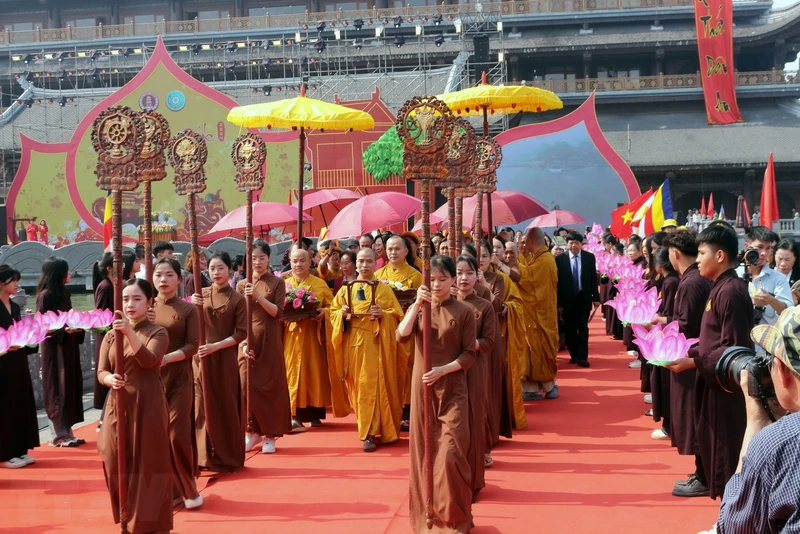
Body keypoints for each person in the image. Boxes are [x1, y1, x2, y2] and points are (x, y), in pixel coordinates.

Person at [666, 221, 754, 499]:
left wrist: (693, 362)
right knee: (711, 440)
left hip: (724, 385)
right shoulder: (718, 287)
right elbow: (710, 340)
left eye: (702, 253)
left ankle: (733, 514)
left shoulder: (731, 291)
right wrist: (689, 353)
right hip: (711, 377)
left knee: (725, 448)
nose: (698, 259)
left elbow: (734, 347)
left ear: (720, 255)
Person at [397, 255, 476, 533]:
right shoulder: (420, 308)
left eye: (443, 279)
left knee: (451, 455)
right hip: (424, 391)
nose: (437, 284)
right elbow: (401, 335)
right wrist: (418, 304)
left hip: (452, 389)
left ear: (453, 280)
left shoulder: (464, 311)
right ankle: (428, 515)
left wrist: (444, 370)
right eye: (432, 279)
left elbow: (469, 354)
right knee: (425, 454)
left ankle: (456, 518)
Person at [97, 279, 172, 533]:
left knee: (148, 462)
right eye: (126, 299)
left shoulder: (158, 332)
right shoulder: (111, 334)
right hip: (118, 405)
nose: (130, 304)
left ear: (150, 302)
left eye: (137, 299)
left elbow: (150, 361)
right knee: (112, 456)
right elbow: (101, 371)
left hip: (147, 403)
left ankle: (148, 523)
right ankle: (125, 513)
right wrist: (110, 379)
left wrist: (129, 331)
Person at [716, 307, 800, 533]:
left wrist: (756, 425)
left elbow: (736, 527)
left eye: (771, 360)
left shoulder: (778, 444)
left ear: (782, 371)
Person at [330, 248, 404, 452]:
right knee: (361, 387)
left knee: (375, 386)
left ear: (376, 263)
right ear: (356, 264)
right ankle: (367, 431)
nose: (364, 265)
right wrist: (341, 315)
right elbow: (333, 313)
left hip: (377, 344)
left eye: (368, 261)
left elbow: (397, 316)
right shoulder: (346, 289)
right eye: (361, 261)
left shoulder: (383, 289)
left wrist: (383, 315)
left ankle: (374, 432)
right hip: (354, 345)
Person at [663, 229, 713, 494]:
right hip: (694, 357)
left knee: (695, 418)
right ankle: (700, 471)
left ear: (675, 253)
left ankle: (704, 476)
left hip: (691, 358)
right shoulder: (694, 278)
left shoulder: (692, 282)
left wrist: (663, 338)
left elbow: (686, 326)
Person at [152, 258, 202, 510]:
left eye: (169, 274)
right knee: (155, 438)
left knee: (176, 434)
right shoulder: (145, 308)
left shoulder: (188, 309)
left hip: (180, 379)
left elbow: (194, 344)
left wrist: (167, 358)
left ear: (179, 279)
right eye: (158, 274)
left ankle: (187, 488)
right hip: (152, 382)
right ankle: (167, 492)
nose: (163, 280)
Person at [191, 252, 247, 471]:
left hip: (224, 358)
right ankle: (202, 455)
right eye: (212, 269)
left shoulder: (237, 299)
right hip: (201, 357)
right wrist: (191, 306)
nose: (216, 273)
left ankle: (227, 454)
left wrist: (216, 346)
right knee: (199, 406)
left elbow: (241, 333)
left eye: (221, 268)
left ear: (230, 270)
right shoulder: (200, 295)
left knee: (225, 404)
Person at [236, 241, 292, 453]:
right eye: (253, 258)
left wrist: (257, 296)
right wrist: (242, 342)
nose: (257, 262)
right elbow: (239, 318)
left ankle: (271, 434)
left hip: (269, 340)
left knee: (270, 386)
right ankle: (252, 431)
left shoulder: (276, 283)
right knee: (245, 385)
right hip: (248, 340)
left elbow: (277, 313)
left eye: (261, 257)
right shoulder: (241, 284)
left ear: (269, 259)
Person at [455, 253, 496, 489]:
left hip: (475, 369)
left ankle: (476, 472)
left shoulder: (485, 306)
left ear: (476, 276)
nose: (464, 278)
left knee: (475, 416)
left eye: (469, 273)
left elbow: (489, 343)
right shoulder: (444, 304)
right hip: (450, 371)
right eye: (459, 273)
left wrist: (464, 343)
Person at [283, 247, 334, 429]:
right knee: (293, 373)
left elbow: (333, 307)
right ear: (290, 263)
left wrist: (323, 313)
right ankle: (295, 413)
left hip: (313, 336)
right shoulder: (284, 285)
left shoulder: (319, 284)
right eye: (295, 261)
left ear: (310, 262)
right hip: (291, 337)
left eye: (302, 261)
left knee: (314, 373)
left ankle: (315, 413)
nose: (298, 264)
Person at [36, 257, 86, 447]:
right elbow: (42, 325)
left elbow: (69, 316)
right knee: (57, 386)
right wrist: (63, 331)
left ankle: (68, 431)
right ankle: (58, 435)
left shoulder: (64, 292)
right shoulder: (45, 296)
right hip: (54, 346)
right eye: (67, 271)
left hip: (68, 344)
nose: (70, 274)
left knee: (70, 385)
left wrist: (77, 326)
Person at [375, 236, 423, 431]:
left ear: (406, 251)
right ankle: (389, 411)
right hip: (385, 330)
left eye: (397, 249)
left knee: (408, 368)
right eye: (390, 249)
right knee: (388, 367)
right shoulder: (378, 275)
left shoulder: (416, 275)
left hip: (408, 330)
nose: (393, 252)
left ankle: (408, 412)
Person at [480, 239, 528, 431]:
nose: (480, 260)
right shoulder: (461, 279)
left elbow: (516, 304)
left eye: (484, 255)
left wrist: (508, 308)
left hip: (497, 334)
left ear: (491, 257)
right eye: (476, 255)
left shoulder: (500, 278)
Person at [0, 265, 39, 468]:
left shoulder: (15, 307)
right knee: (4, 407)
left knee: (18, 404)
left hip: (17, 360)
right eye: (13, 280)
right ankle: (4, 454)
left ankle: (18, 450)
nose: (17, 284)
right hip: (2, 363)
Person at [518, 227, 560, 394]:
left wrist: (503, 265)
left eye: (523, 242)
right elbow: (529, 269)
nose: (521, 245)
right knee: (532, 349)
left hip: (540, 317)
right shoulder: (541, 257)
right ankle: (537, 387)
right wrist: (522, 255)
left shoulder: (545, 260)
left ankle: (548, 386)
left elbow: (526, 278)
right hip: (539, 315)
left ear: (530, 241)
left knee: (539, 349)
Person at [555, 232, 600, 367]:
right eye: (571, 242)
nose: (574, 245)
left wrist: (596, 297)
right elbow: (557, 283)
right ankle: (574, 354)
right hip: (567, 299)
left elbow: (593, 278)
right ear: (567, 244)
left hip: (583, 297)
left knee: (582, 328)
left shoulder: (589, 257)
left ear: (581, 244)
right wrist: (558, 302)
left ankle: (582, 357)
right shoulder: (560, 259)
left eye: (576, 243)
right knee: (569, 328)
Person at [649, 247, 680, 440]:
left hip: (669, 335)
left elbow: (670, 313)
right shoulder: (670, 280)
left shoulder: (671, 282)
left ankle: (669, 425)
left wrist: (658, 319)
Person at [744, 226, 792, 327]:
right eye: (760, 247)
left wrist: (770, 300)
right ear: (747, 246)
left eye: (768, 248)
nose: (764, 253)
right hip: (737, 339)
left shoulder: (779, 278)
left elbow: (787, 312)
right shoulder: (736, 274)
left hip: (767, 340)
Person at [92, 253, 115, 415]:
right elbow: (100, 314)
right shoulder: (105, 286)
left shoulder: (112, 284)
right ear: (109, 268)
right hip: (107, 334)